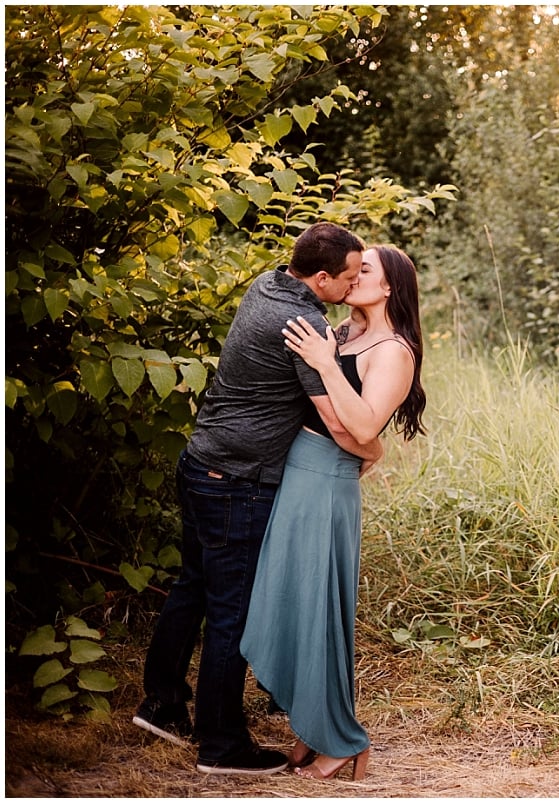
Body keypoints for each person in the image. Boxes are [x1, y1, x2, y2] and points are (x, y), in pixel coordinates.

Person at [132, 222, 381, 775]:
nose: (351, 285)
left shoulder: (266, 286)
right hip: (237, 480)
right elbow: (337, 420)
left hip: (199, 462)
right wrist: (372, 448)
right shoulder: (303, 322)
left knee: (193, 586)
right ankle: (221, 747)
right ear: (320, 278)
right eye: (345, 278)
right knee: (231, 612)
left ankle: (163, 705)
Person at [240, 245, 427, 781]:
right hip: (296, 470)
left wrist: (324, 363)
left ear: (389, 286)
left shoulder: (393, 349)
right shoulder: (341, 332)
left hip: (325, 482)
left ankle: (343, 740)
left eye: (364, 270)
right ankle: (311, 729)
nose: (352, 277)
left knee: (320, 607)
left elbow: (365, 426)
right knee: (295, 601)